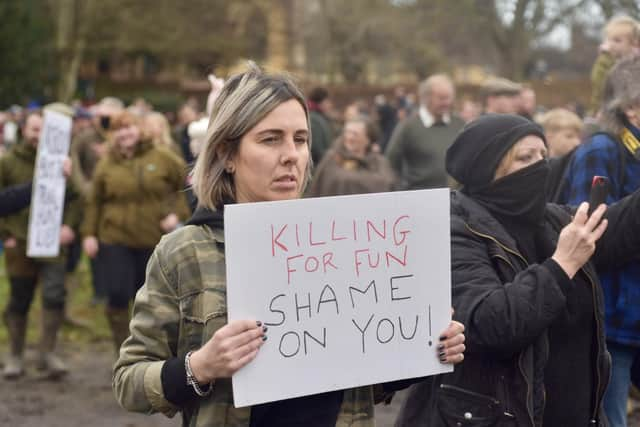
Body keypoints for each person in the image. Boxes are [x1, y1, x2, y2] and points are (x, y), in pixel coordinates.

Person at [113, 64, 465, 427]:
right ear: (226, 154)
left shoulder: (341, 244)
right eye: (270, 139)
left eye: (300, 139)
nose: (291, 155)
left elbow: (358, 382)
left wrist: (425, 348)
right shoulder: (185, 251)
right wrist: (201, 366)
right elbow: (129, 382)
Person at [395, 113, 640, 426]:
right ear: (487, 170)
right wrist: (562, 264)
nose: (541, 166)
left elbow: (620, 226)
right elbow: (490, 322)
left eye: (543, 155)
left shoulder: (551, 220)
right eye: (526, 157)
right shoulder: (454, 230)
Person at [561, 55, 640, 427]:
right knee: (610, 420)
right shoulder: (602, 150)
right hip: (616, 319)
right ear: (631, 106)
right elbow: (584, 234)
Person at [81, 111, 190, 353]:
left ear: (140, 129)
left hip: (152, 239)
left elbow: (186, 184)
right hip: (115, 238)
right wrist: (89, 234)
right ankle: (122, 350)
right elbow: (94, 201)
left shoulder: (162, 157)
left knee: (151, 300)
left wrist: (177, 214)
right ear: (113, 135)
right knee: (118, 294)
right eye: (119, 129)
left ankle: (150, 350)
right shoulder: (106, 164)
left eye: (129, 127)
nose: (124, 133)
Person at [0, 111, 81, 379]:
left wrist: (69, 225)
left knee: (54, 294)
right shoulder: (8, 162)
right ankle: (15, 355)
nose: (38, 135)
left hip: (53, 240)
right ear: (24, 130)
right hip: (19, 240)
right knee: (20, 297)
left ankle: (47, 353)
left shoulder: (63, 161)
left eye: (43, 130)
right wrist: (5, 235)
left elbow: (77, 198)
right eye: (34, 130)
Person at [385, 74, 464, 190]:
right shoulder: (408, 127)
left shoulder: (460, 124)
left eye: (449, 98)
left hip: (455, 198)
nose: (447, 103)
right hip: (420, 198)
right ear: (426, 98)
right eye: (442, 98)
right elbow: (390, 164)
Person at [308, 116, 396, 197]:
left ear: (368, 139)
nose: (349, 137)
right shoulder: (332, 158)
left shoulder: (379, 161)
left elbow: (388, 183)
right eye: (347, 132)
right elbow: (318, 187)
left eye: (355, 134)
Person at [590, 15, 640, 116]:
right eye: (609, 40)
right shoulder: (605, 61)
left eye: (617, 40)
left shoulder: (635, 63)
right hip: (607, 110)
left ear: (634, 43)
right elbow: (599, 84)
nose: (611, 44)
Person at [539, 108, 585, 203]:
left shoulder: (575, 167)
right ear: (549, 137)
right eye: (569, 136)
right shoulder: (539, 168)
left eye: (578, 137)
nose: (577, 142)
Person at [307, 86, 334, 165]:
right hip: (318, 168)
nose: (330, 105)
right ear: (321, 102)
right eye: (328, 102)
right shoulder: (314, 119)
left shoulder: (320, 117)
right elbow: (317, 149)